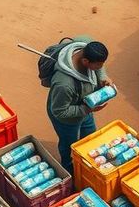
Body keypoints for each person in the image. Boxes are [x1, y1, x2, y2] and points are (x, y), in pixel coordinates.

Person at [47, 39, 113, 173]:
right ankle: (68, 167)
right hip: (67, 119)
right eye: (98, 65)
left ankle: (89, 163)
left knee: (90, 137)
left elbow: (100, 68)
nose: (100, 68)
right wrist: (87, 109)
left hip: (85, 108)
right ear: (85, 62)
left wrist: (103, 76)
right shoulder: (64, 85)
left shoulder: (84, 43)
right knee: (69, 144)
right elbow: (59, 111)